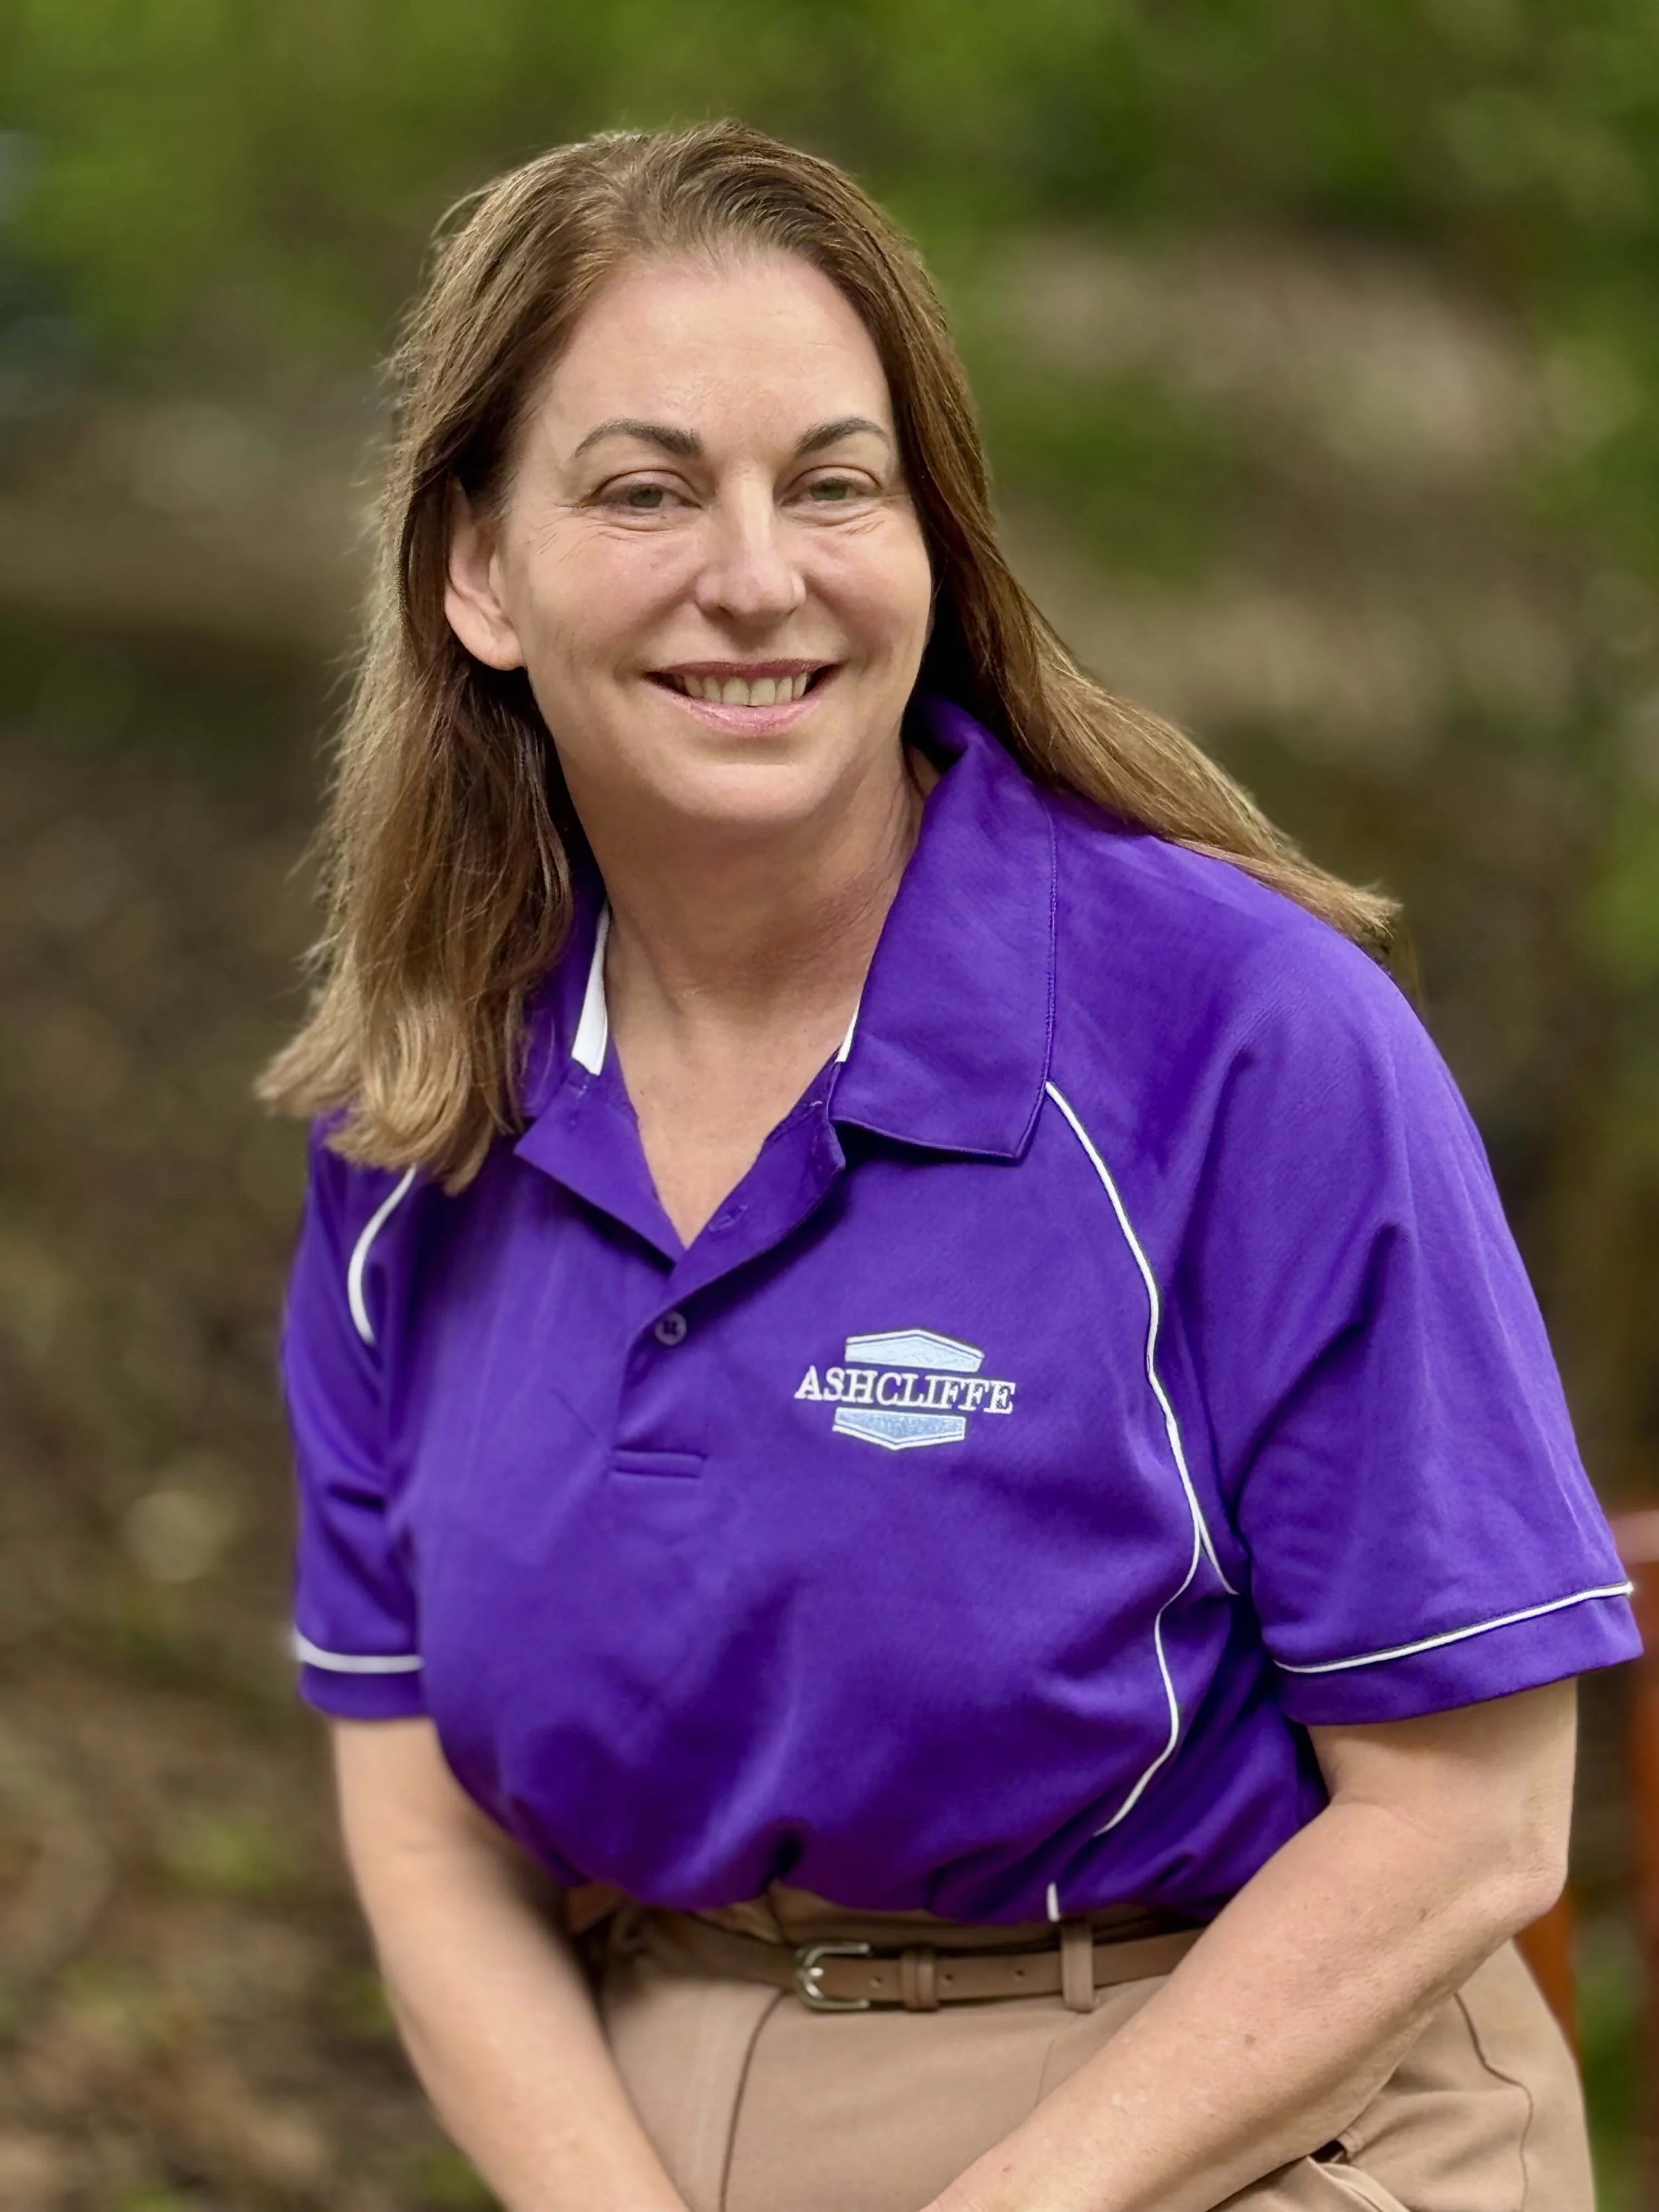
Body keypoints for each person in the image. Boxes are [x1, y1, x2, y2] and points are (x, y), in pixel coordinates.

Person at [258, 119, 1641, 2212]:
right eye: (645, 489)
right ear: (476, 570)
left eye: (834, 483)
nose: (757, 573)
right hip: (659, 2116)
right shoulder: (420, 1114)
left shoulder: (1238, 1035)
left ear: (930, 541)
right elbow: (420, 1809)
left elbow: (1466, 1825)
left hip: (1244, 2118)